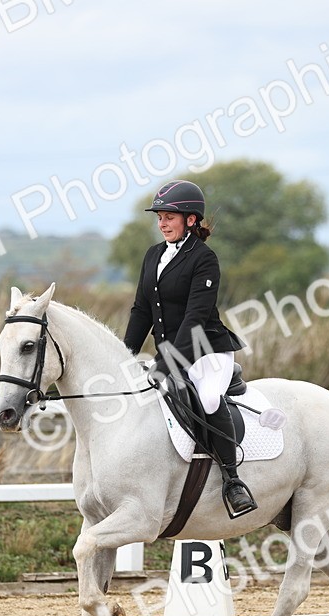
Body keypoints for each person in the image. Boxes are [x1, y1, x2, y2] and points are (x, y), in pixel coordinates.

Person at [123, 179, 257, 516]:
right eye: (160, 218)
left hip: (207, 349)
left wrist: (165, 363)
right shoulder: (153, 255)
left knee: (210, 398)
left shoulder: (204, 259)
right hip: (170, 351)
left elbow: (195, 319)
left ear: (191, 220)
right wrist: (123, 356)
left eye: (169, 217)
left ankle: (232, 479)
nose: (162, 223)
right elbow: (141, 310)